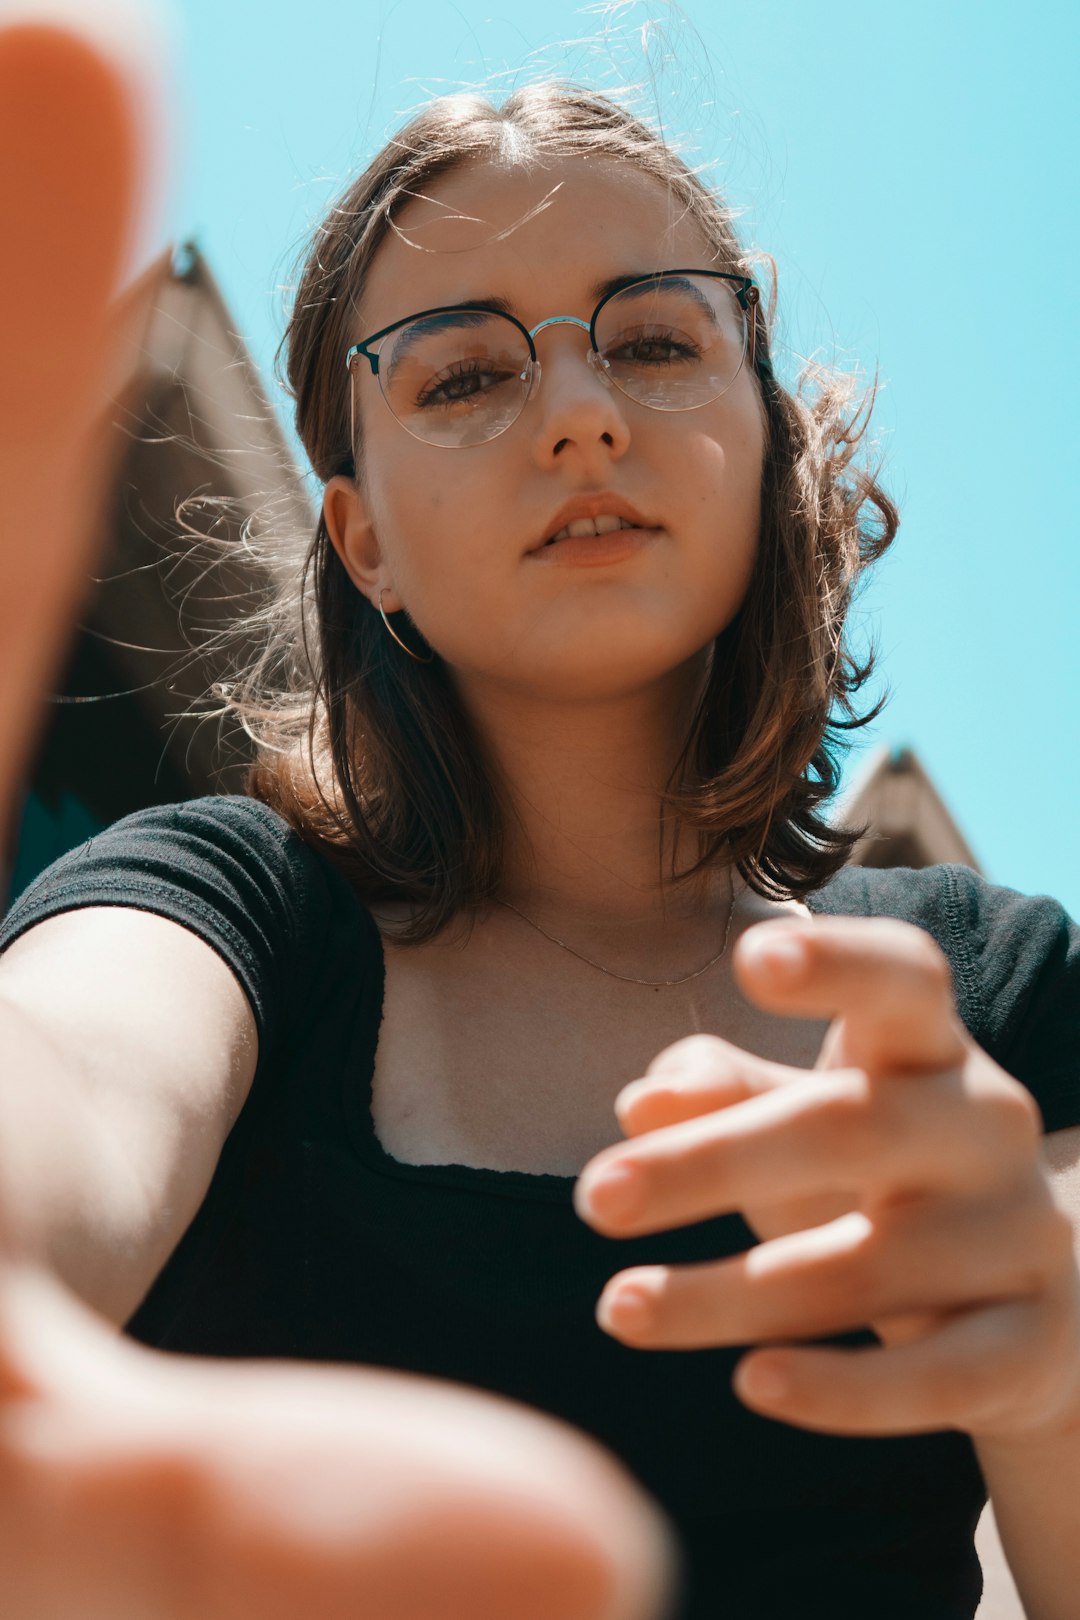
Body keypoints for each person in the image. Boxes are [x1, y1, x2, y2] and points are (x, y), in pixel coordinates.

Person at [1, 8, 1078, 1620]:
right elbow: (65, 1071)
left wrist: (1048, 1378)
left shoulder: (994, 992)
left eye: (651, 340)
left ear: (767, 432)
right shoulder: (229, 909)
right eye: (465, 373)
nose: (577, 411)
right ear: (361, 543)